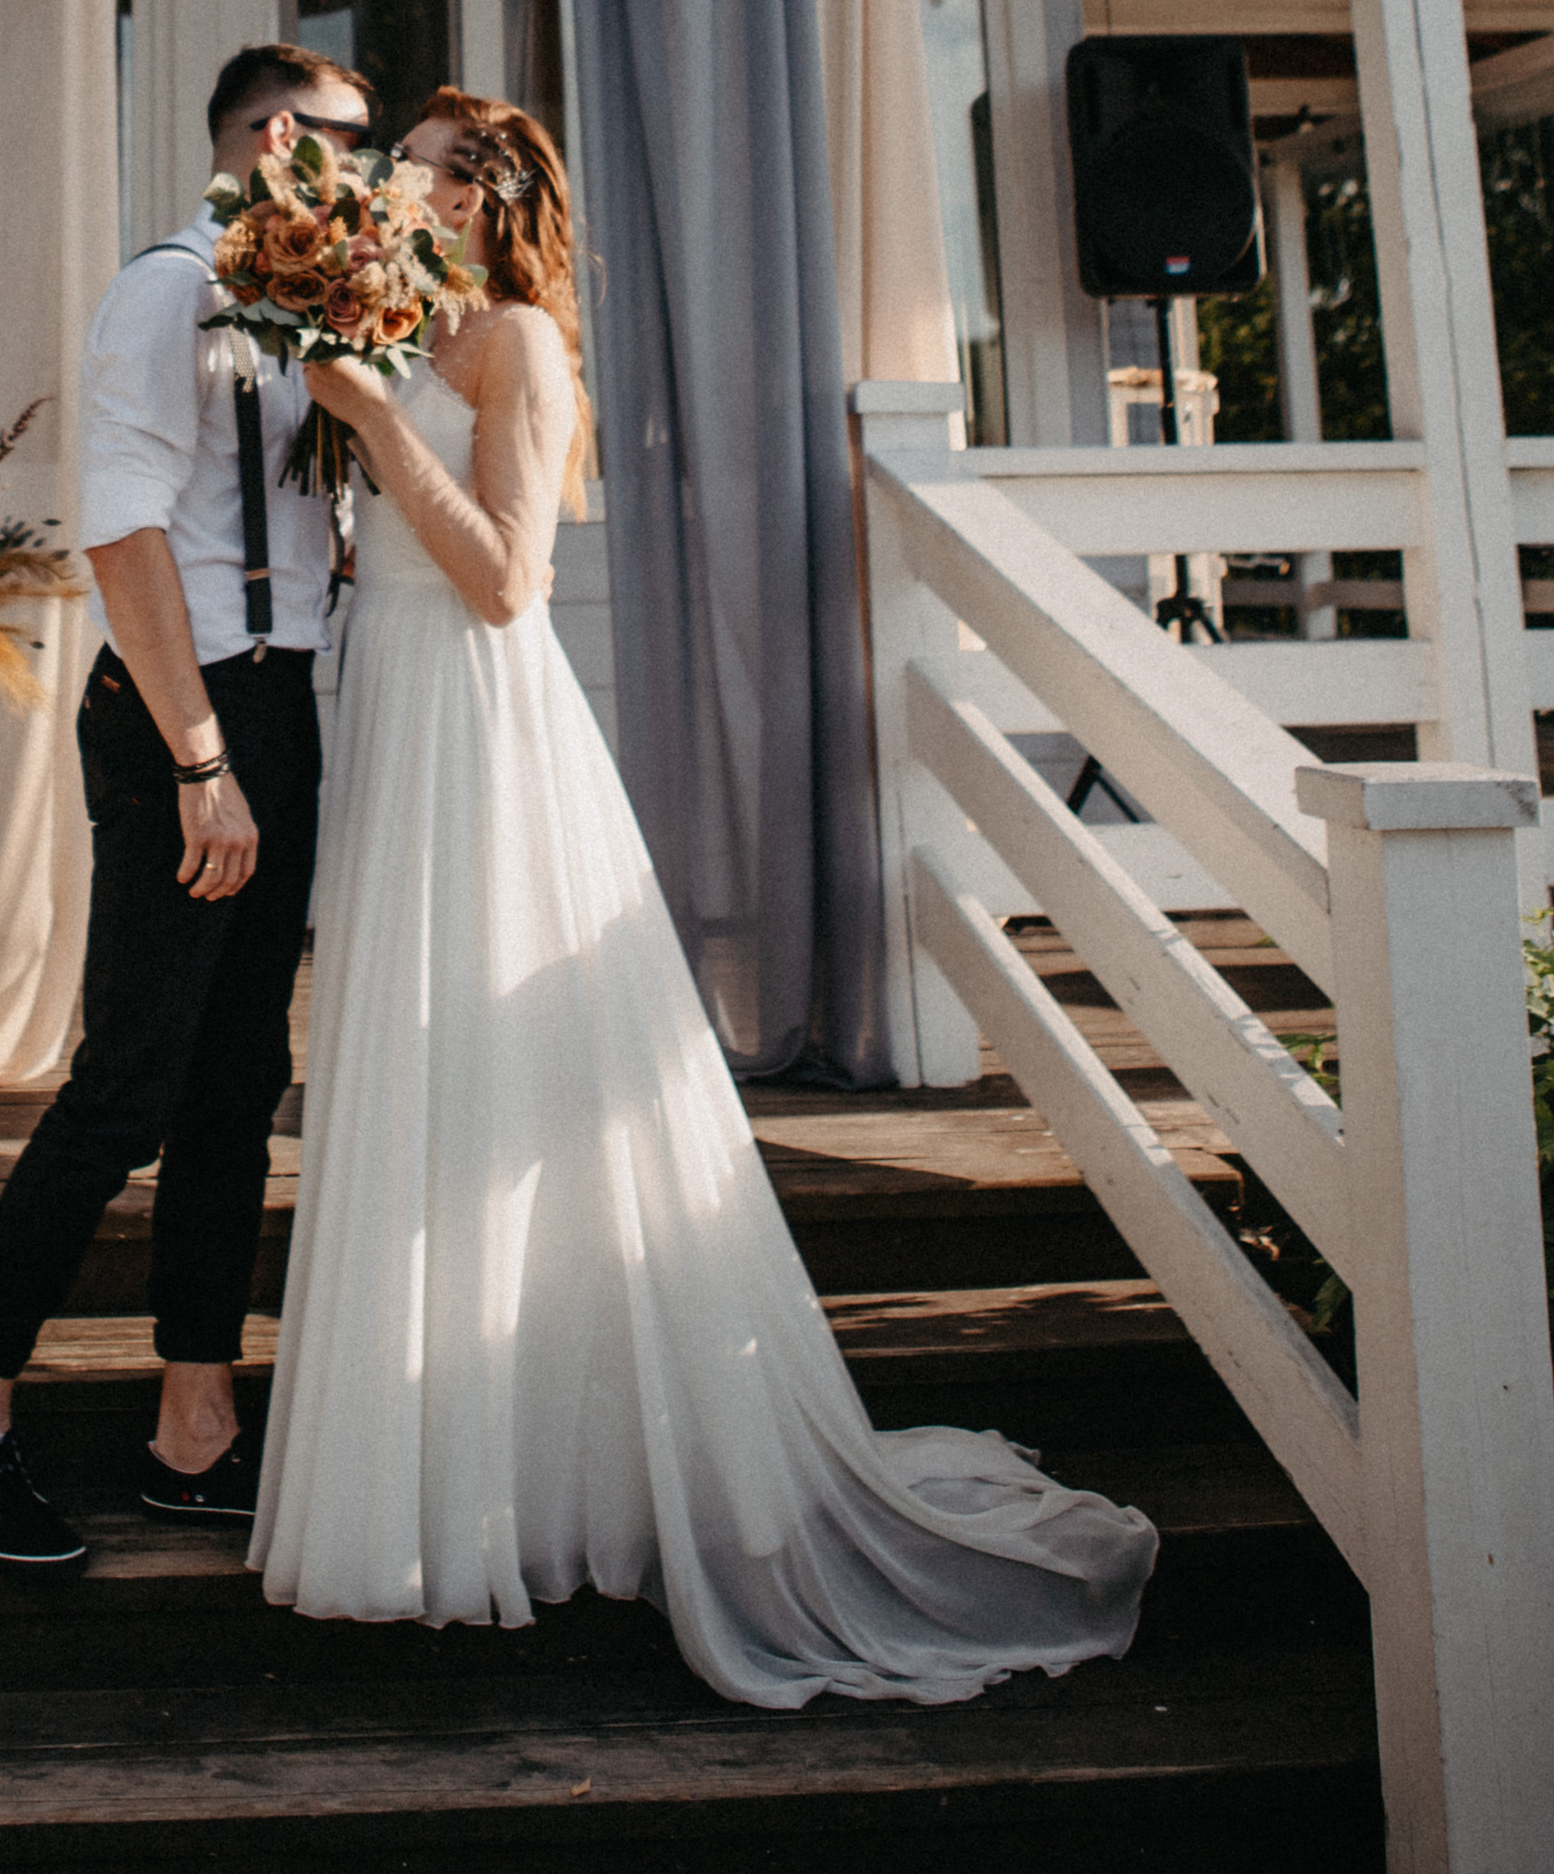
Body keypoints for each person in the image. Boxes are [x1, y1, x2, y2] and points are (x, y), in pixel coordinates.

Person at [252, 87, 1158, 1706]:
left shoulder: (521, 345)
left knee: (509, 1073)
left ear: (478, 197)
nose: (386, 185)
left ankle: (547, 1478)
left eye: (413, 170)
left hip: (479, 726)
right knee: (416, 1074)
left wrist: (375, 420)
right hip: (391, 711)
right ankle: (443, 1478)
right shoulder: (396, 332)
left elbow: (510, 581)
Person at [0, 41, 377, 1577]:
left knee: (240, 1083)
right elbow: (123, 540)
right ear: (273, 139)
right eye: (351, 142)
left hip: (277, 707)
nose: (370, 174)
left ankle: (194, 1428)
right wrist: (199, 760)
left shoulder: (312, 305)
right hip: (190, 712)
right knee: (128, 1086)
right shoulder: (169, 292)